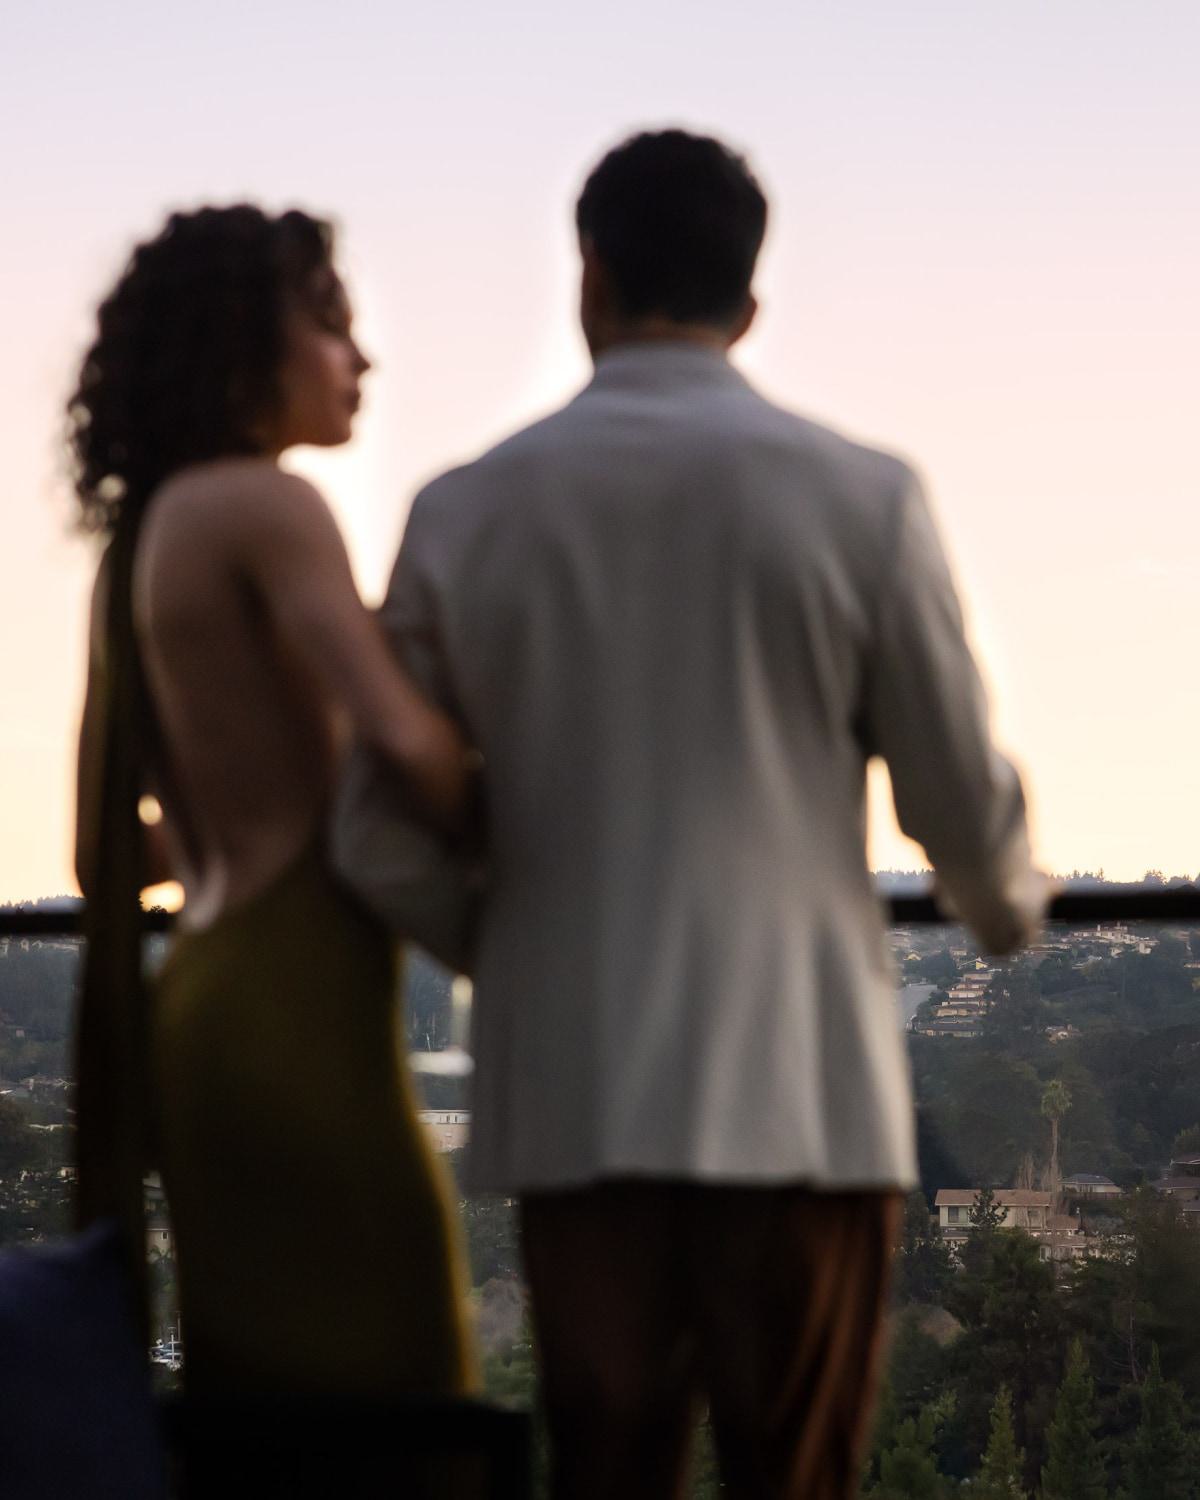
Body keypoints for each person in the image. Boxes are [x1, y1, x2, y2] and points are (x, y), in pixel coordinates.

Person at [336, 130, 1046, 1498]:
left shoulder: (466, 512)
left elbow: (375, 835)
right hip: (800, 1089)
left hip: (576, 1088)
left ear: (588, 276)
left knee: (610, 1470)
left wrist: (517, 944)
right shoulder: (861, 498)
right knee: (794, 1470)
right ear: (750, 301)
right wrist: (1009, 909)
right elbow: (958, 799)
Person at [70, 205, 477, 1402]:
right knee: (399, 1397)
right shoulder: (270, 506)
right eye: (333, 325)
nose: (362, 358)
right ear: (247, 344)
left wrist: (238, 812)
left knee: (262, 1415)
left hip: (203, 1002)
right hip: (301, 1009)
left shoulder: (141, 540)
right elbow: (406, 744)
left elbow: (102, 854)